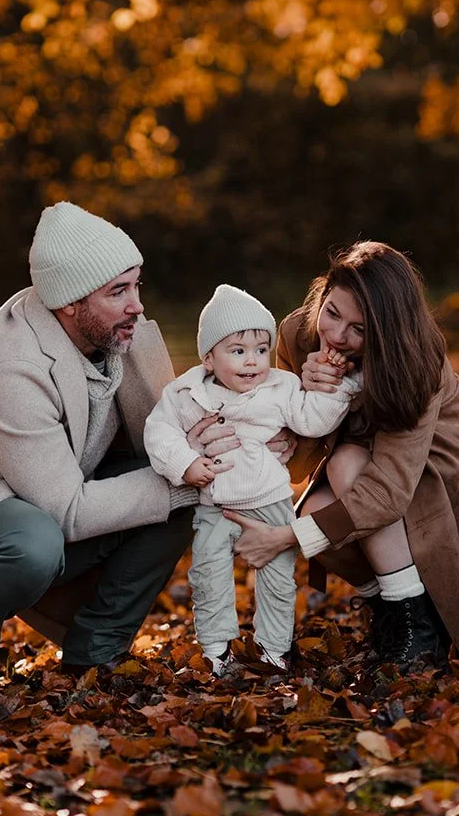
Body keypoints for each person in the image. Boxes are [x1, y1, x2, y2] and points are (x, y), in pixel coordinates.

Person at [0, 201, 218, 692]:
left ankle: (95, 653)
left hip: (42, 490)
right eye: (118, 291)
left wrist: (224, 433)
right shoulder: (11, 368)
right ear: (70, 303)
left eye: (136, 284)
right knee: (35, 545)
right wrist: (184, 481)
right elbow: (66, 513)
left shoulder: (113, 335)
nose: (137, 305)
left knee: (171, 487)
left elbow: (163, 432)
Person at [223, 241, 459, 666]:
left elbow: (389, 489)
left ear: (385, 332)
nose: (338, 336)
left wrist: (284, 539)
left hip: (455, 472)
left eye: (359, 330)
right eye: (332, 312)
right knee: (317, 513)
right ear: (322, 295)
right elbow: (299, 466)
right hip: (375, 472)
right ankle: (399, 609)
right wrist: (307, 400)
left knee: (344, 472)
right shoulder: (296, 336)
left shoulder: (415, 360)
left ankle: (415, 628)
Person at [144, 285, 360, 676]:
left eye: (262, 350)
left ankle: (274, 649)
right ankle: (216, 648)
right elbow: (158, 432)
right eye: (238, 351)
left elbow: (313, 418)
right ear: (208, 359)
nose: (253, 362)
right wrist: (187, 463)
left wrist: (342, 387)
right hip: (215, 504)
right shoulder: (185, 394)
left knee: (278, 579)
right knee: (209, 575)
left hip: (269, 500)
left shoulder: (279, 387)